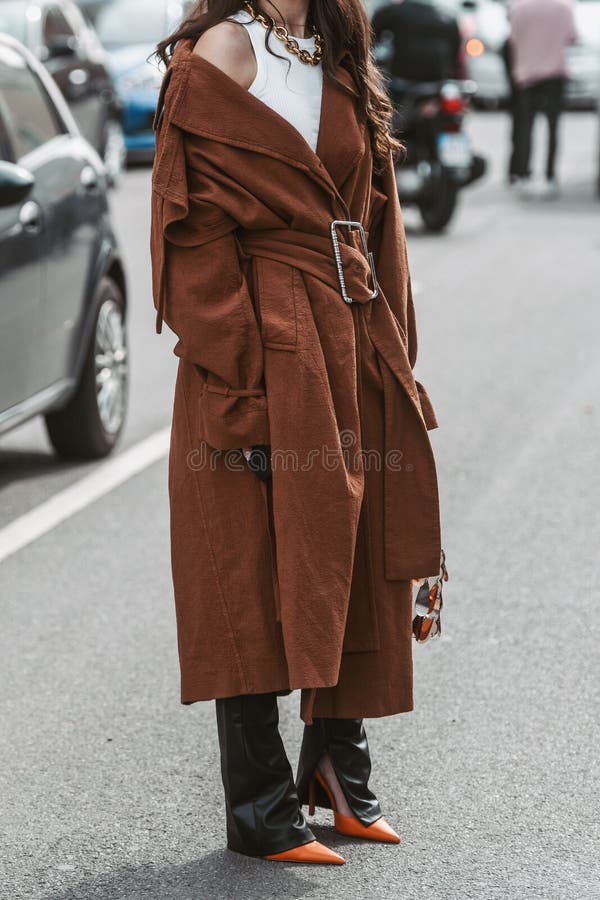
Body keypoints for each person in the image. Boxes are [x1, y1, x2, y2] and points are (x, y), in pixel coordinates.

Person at [150, 0, 443, 865]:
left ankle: (338, 772)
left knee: (349, 544)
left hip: (347, 329)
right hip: (258, 341)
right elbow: (190, 230)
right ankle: (259, 805)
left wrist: (393, 346)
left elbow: (375, 206)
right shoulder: (223, 48)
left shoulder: (339, 51)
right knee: (245, 560)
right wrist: (241, 368)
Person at [508, 0, 577, 195]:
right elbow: (572, 37)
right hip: (555, 72)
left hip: (526, 72)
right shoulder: (564, 7)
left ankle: (523, 174)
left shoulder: (519, 7)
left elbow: (513, 38)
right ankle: (550, 175)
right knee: (553, 127)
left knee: (525, 127)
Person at [371, 0, 465, 82]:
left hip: (403, 78)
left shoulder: (394, 11)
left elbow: (371, 36)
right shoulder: (448, 15)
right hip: (439, 77)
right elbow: (455, 52)